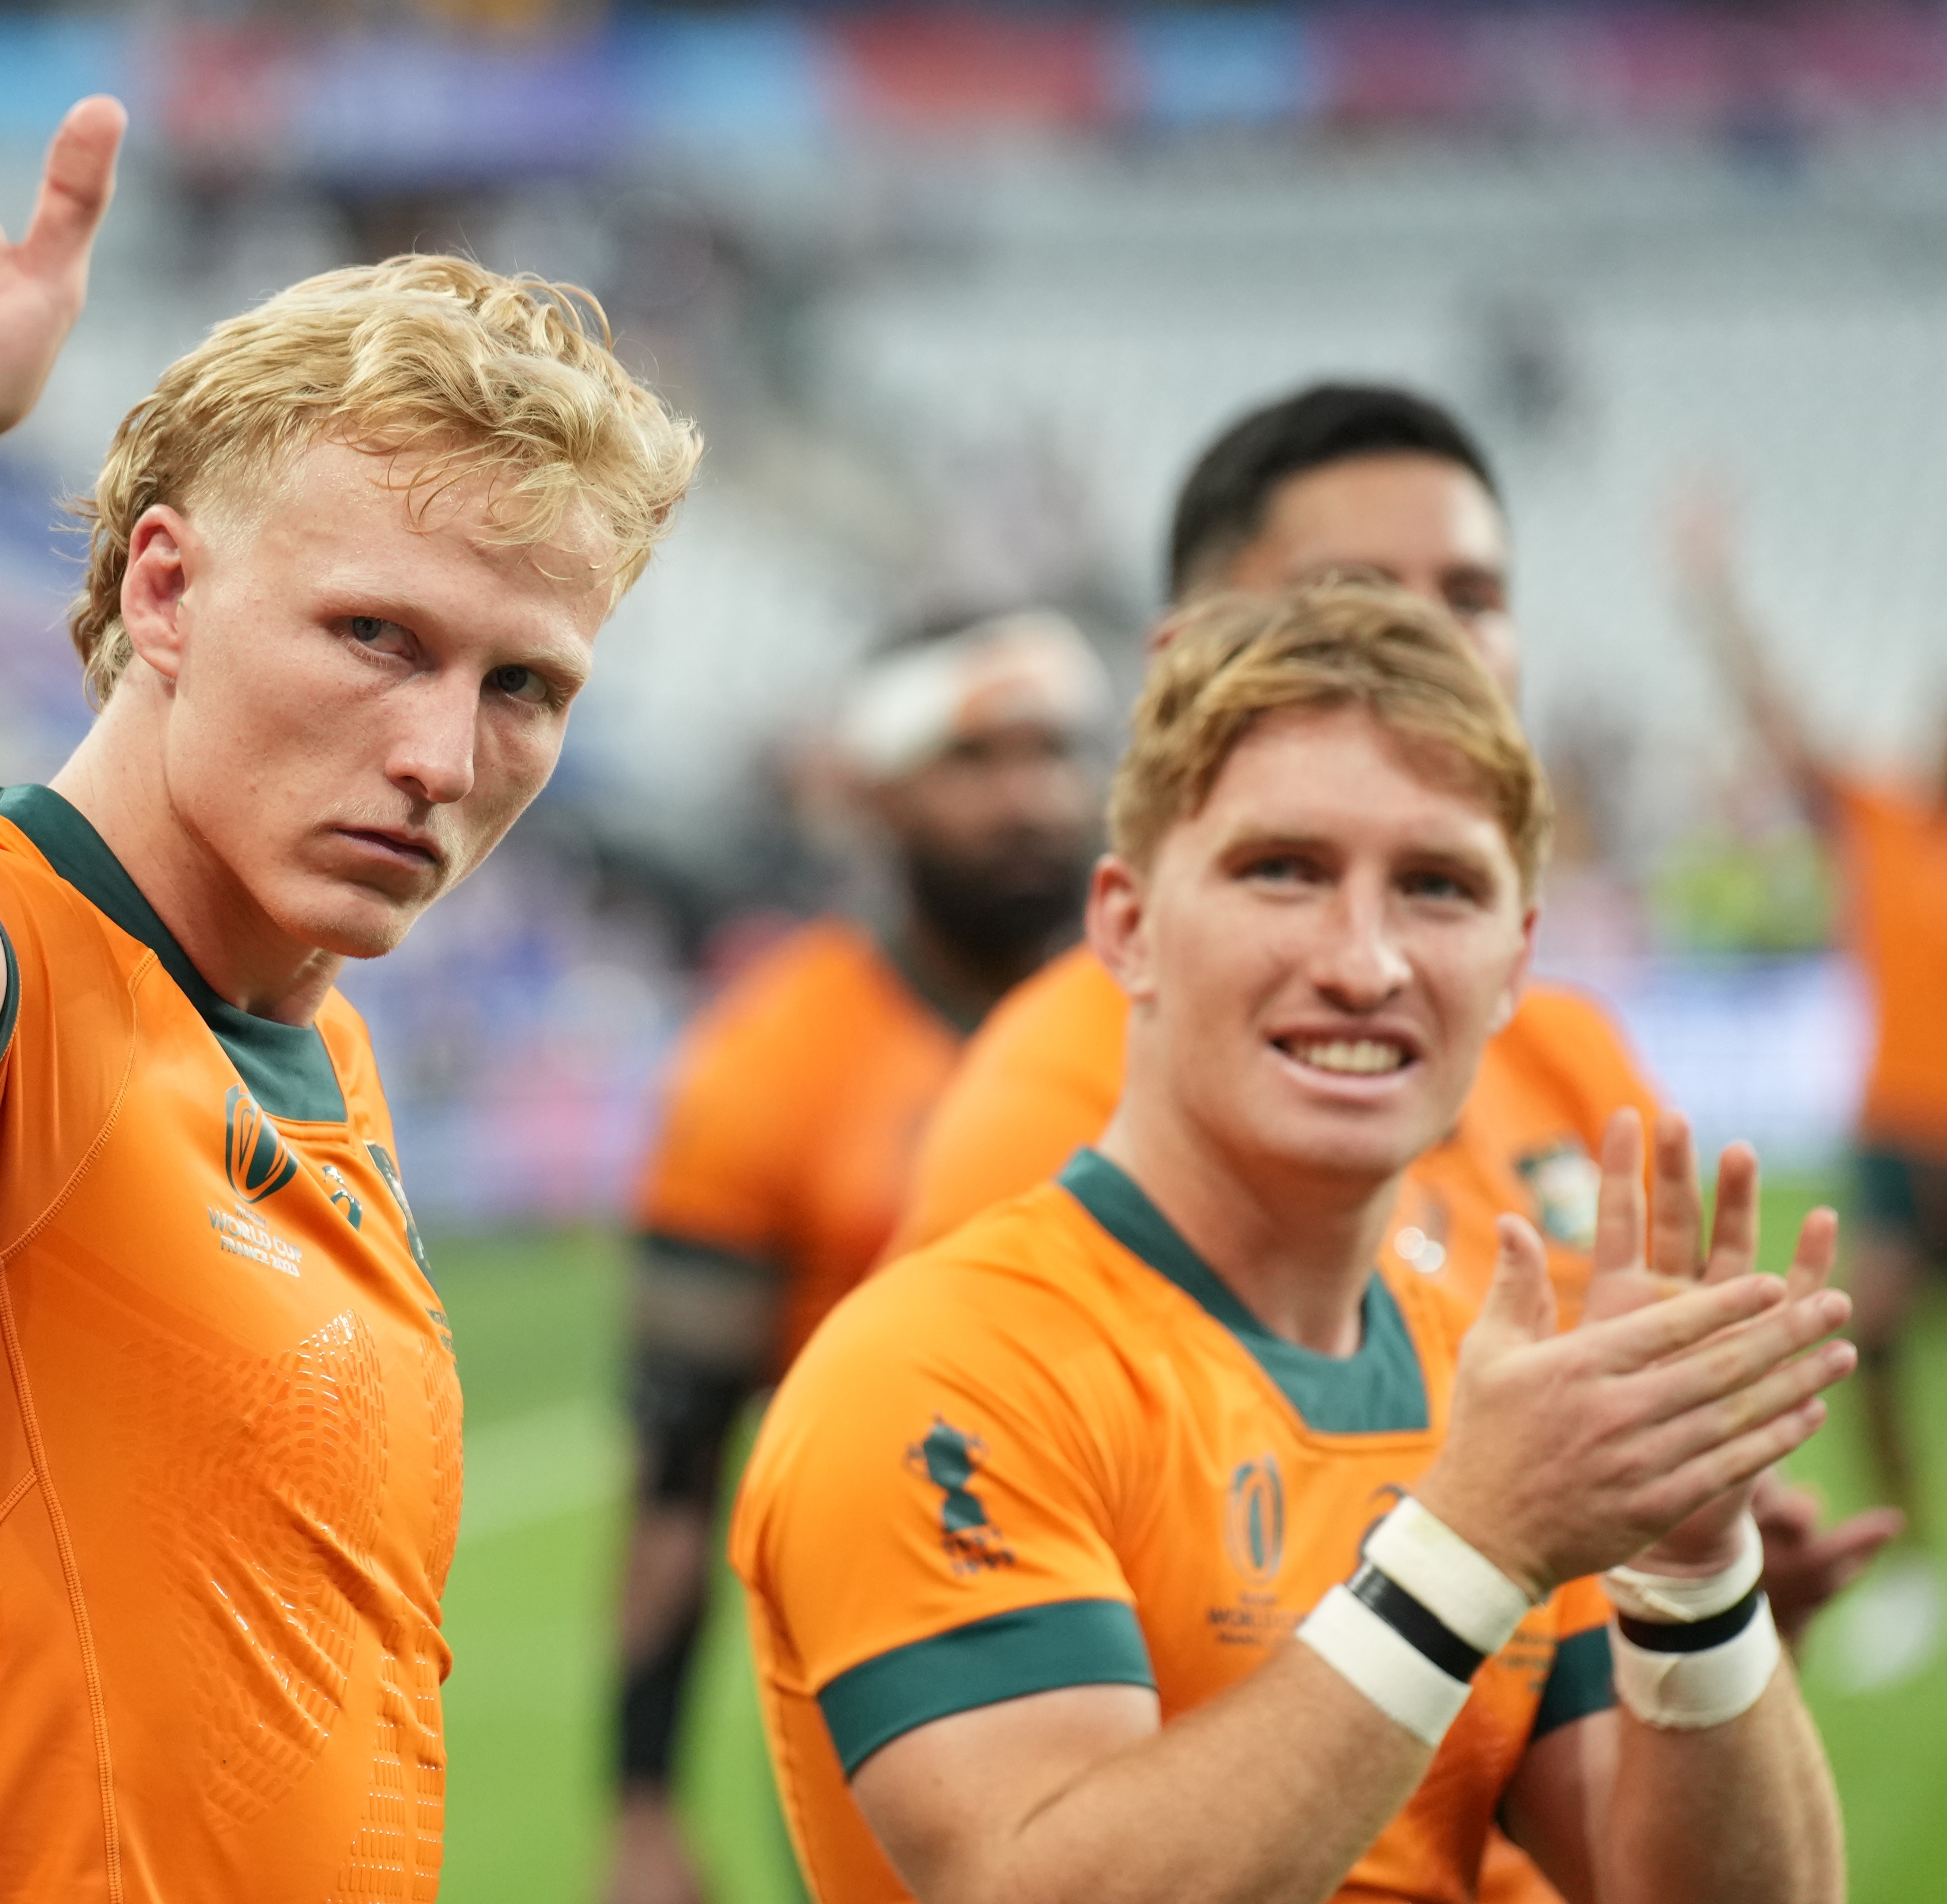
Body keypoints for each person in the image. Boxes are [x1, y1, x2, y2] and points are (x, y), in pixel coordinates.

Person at [0, 0, 702, 1889]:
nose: (445, 756)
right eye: (376, 635)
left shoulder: (308, 1040)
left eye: (524, 685)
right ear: (165, 586)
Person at [736, 581, 1857, 1904]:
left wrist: (1693, 1575)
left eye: (1436, 886)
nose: (1365, 959)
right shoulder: (941, 1365)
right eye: (1284, 870)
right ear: (1125, 925)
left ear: (1513, 962)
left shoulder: (1490, 1390)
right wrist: (1471, 1545)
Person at [885, 384, 1893, 1644]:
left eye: (1471, 597)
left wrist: (1700, 1600)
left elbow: (1616, 1619)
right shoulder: (1033, 1112)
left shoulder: (1575, 1058)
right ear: (1182, 663)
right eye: (1354, 590)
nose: (1429, 640)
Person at [606, 607, 1109, 1904]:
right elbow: (675, 1473)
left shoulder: (1185, 1026)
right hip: (908, 1671)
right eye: (976, 757)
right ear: (874, 789)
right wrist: (640, 1805)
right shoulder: (763, 1063)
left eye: (1053, 751)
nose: (1031, 797)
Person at [1686, 520, 1940, 1682]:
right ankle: (1914, 1560)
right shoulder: (1878, 815)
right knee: (1873, 1334)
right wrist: (1711, 588)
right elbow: (1775, 720)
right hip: (1895, 1134)